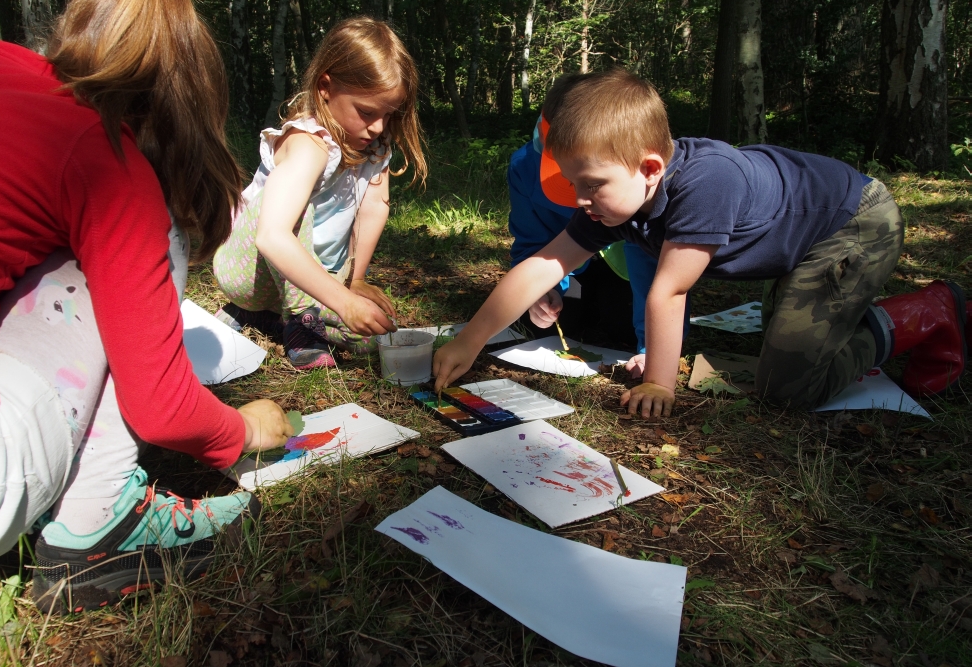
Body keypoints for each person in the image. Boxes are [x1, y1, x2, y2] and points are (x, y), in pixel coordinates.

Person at [0, 0, 293, 614]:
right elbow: (162, 409)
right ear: (181, 103)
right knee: (156, 230)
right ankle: (100, 526)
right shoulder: (105, 158)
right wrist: (244, 429)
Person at [433, 68, 966, 419]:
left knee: (789, 389)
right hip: (798, 244)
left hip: (854, 224)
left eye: (589, 185)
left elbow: (669, 291)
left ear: (649, 168)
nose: (578, 200)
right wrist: (471, 340)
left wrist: (661, 383)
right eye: (573, 184)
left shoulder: (707, 183)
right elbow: (542, 265)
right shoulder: (619, 194)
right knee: (781, 350)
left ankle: (927, 311)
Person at [213, 17, 427, 370]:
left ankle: (269, 319)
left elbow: (375, 207)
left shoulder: (376, 145)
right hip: (248, 271)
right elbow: (271, 236)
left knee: (375, 339)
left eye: (389, 115)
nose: (378, 127)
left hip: (312, 279)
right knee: (297, 209)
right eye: (367, 112)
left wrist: (355, 282)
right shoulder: (309, 143)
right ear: (325, 86)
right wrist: (343, 302)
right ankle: (298, 321)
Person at [508, 73, 686, 372]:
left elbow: (662, 268)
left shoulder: (643, 176)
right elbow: (533, 241)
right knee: (544, 321)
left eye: (590, 184)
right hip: (572, 264)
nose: (579, 199)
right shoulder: (525, 166)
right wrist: (544, 289)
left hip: (628, 267)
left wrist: (651, 349)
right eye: (566, 181)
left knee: (623, 325)